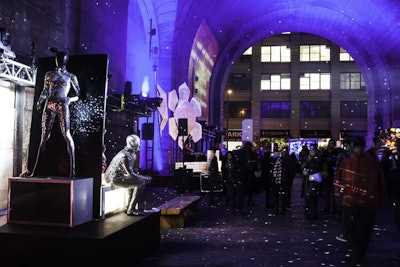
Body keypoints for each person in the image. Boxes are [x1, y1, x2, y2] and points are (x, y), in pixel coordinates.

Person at [334, 136, 388, 266]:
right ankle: (357, 251)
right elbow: (340, 181)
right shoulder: (360, 162)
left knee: (361, 230)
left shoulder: (354, 162)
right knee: (359, 230)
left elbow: (339, 181)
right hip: (359, 202)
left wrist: (339, 196)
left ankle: (357, 252)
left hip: (360, 202)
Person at [30, 51, 80, 177]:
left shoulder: (70, 76)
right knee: (44, 137)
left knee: (67, 134)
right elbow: (45, 90)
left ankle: (72, 170)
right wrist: (40, 101)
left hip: (63, 103)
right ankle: (36, 170)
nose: (59, 61)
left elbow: (79, 94)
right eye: (57, 59)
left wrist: (71, 99)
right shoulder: (49, 74)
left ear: (65, 61)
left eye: (61, 59)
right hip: (50, 103)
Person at [103, 134, 152, 216]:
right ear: (132, 143)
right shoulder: (125, 156)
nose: (138, 145)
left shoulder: (131, 154)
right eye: (137, 143)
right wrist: (144, 178)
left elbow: (130, 174)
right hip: (113, 179)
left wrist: (141, 177)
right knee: (140, 184)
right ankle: (131, 209)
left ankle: (128, 207)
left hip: (119, 177)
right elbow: (131, 174)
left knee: (134, 183)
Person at [302, 144, 324, 220]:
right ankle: (310, 212)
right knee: (309, 195)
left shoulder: (317, 159)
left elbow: (316, 168)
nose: (311, 151)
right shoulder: (310, 159)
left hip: (314, 178)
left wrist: (308, 171)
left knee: (311, 195)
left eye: (313, 150)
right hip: (310, 179)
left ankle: (312, 212)